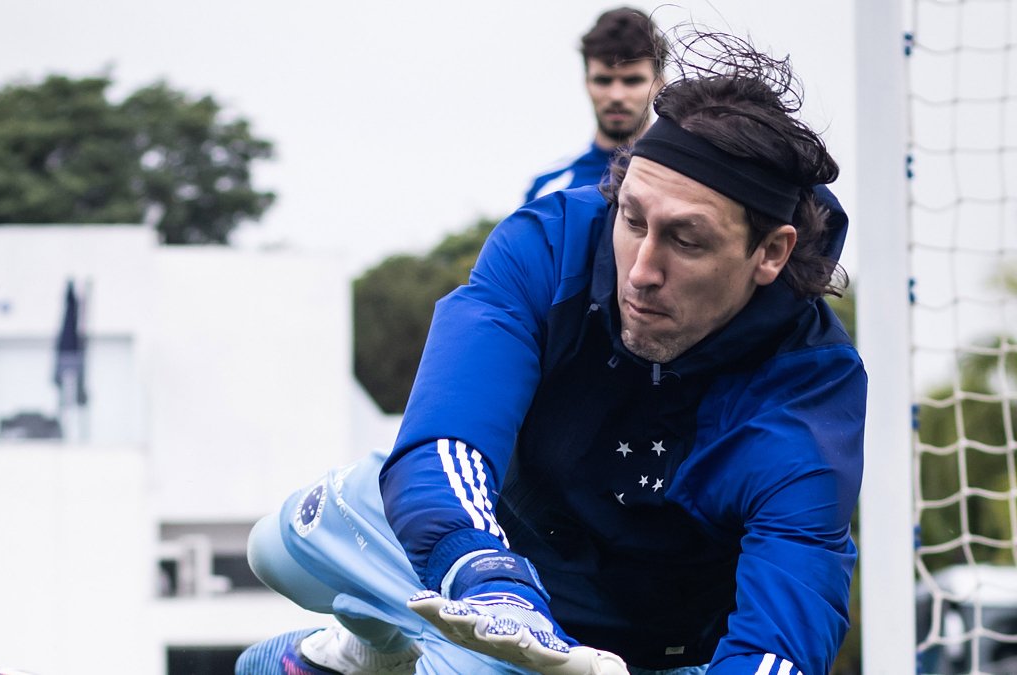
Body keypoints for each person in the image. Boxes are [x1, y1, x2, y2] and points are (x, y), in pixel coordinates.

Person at [236, 30, 863, 675]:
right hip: (485, 551)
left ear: (772, 253)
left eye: (687, 240)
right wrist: (488, 575)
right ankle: (369, 646)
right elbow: (444, 439)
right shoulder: (550, 243)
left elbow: (780, 649)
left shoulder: (808, 391)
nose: (641, 270)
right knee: (276, 549)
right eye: (633, 219)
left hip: (621, 643)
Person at [524, 8, 667, 203]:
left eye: (632, 81)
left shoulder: (685, 178)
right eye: (603, 81)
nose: (616, 95)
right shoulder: (548, 187)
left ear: (660, 83)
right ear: (586, 82)